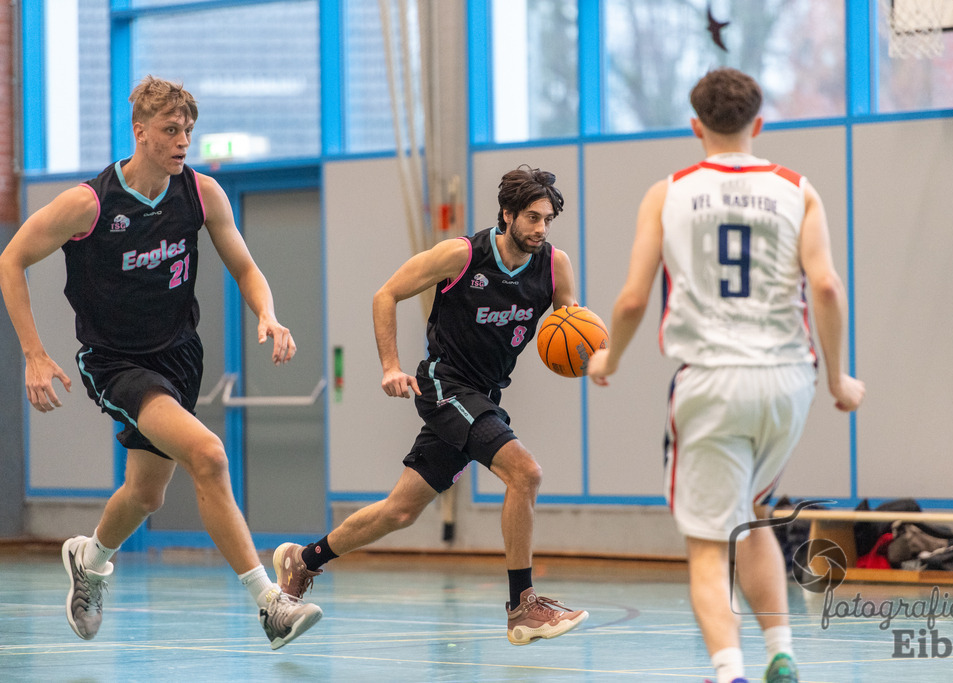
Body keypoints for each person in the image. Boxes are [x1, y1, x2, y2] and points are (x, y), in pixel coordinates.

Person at [0, 75, 322, 650]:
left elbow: (246, 267)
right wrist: (33, 352)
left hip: (179, 356)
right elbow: (12, 258)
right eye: (171, 131)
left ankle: (90, 558)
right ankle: (271, 604)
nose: (182, 142)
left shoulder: (200, 194)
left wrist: (267, 315)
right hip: (115, 360)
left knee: (146, 494)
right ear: (140, 131)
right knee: (209, 454)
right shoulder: (89, 203)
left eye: (188, 132)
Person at [587, 68, 865, 683]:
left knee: (709, 545)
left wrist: (609, 359)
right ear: (758, 125)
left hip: (712, 381)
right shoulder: (798, 188)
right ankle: (781, 651)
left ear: (696, 127)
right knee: (757, 512)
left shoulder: (670, 192)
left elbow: (633, 301)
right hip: (788, 380)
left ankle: (728, 669)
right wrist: (840, 380)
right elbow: (825, 286)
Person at [272, 165, 589, 645]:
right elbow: (387, 294)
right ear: (506, 215)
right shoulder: (461, 255)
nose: (541, 228)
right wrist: (390, 365)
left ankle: (303, 560)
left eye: (547, 219)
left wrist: (593, 353)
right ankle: (522, 606)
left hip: (483, 394)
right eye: (532, 217)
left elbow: (572, 326)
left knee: (400, 511)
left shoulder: (553, 265)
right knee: (526, 473)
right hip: (445, 385)